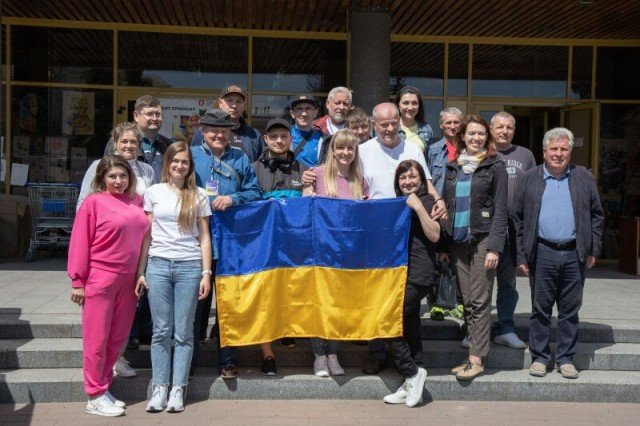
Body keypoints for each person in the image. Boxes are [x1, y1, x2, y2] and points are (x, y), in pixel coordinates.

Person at [355, 102, 447, 374]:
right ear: (374, 125)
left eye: (393, 122)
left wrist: (439, 201)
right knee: (379, 296)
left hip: (411, 232)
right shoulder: (363, 150)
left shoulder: (412, 148)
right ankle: (377, 354)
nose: (389, 128)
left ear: (400, 121)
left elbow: (426, 182)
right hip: (377, 235)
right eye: (383, 124)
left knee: (407, 304)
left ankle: (414, 358)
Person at [512, 127, 603, 380]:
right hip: (542, 252)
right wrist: (520, 255)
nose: (558, 154)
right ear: (544, 151)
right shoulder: (529, 178)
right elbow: (516, 219)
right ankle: (540, 357)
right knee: (540, 309)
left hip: (575, 253)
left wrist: (593, 248)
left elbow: (597, 215)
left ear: (570, 152)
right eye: (554, 149)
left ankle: (565, 359)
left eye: (564, 149)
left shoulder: (583, 177)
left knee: (570, 309)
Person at [67, 155, 149, 417]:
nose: (118, 181)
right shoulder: (93, 203)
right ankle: (94, 395)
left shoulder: (137, 201)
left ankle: (103, 388)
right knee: (97, 339)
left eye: (123, 176)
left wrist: (140, 273)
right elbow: (80, 242)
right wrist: (77, 281)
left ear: (130, 177)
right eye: (112, 176)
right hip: (100, 278)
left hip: (129, 280)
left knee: (117, 338)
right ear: (102, 177)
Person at [135, 142, 212, 412]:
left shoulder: (199, 195)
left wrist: (206, 273)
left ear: (190, 166)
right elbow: (147, 236)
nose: (180, 166)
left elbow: (204, 238)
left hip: (189, 267)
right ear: (167, 163)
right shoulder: (153, 192)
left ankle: (178, 387)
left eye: (185, 162)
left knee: (184, 331)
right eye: (175, 161)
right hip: (157, 265)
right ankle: (159, 387)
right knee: (160, 330)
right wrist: (141, 271)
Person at [78, 122, 155, 378]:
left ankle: (118, 359)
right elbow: (84, 205)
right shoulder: (99, 168)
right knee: (101, 323)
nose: (129, 146)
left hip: (135, 254)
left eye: (134, 141)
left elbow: (150, 207)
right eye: (125, 141)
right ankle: (98, 375)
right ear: (115, 143)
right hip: (105, 255)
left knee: (124, 318)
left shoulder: (146, 170)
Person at [191, 108, 261, 380]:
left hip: (232, 241)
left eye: (223, 131)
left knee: (229, 303)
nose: (218, 135)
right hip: (197, 240)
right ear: (203, 132)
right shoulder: (191, 156)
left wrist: (233, 199)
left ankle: (227, 360)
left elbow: (255, 191)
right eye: (213, 131)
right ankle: (189, 360)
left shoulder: (240, 157)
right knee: (196, 303)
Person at [441, 114, 507, 381]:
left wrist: (495, 247)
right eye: (471, 133)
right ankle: (473, 354)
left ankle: (476, 359)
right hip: (457, 242)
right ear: (462, 136)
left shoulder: (495, 166)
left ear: (487, 137)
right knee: (467, 301)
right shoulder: (452, 167)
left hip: (483, 239)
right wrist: (443, 245)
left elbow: (501, 209)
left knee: (480, 300)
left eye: (481, 134)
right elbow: (446, 205)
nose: (476, 138)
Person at [303, 129, 369, 377]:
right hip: (318, 253)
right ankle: (319, 355)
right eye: (340, 147)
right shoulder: (317, 174)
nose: (345, 152)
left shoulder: (360, 180)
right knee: (318, 304)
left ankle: (333, 353)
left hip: (346, 255)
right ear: (332, 150)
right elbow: (304, 208)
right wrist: (306, 192)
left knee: (338, 305)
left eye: (350, 148)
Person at [382, 160, 439, 408]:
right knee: (409, 324)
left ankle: (412, 372)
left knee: (386, 320)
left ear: (422, 180)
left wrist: (418, 207)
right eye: (403, 177)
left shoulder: (425, 201)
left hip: (420, 274)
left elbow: (435, 234)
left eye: (413, 177)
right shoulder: (398, 203)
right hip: (401, 274)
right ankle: (411, 379)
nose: (408, 181)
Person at [253, 117, 307, 372]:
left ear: (291, 139)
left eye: (284, 136)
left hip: (295, 246)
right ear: (266, 139)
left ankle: (287, 329)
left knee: (291, 292)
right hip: (264, 246)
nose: (279, 141)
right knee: (265, 297)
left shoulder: (304, 169)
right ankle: (267, 354)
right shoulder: (254, 168)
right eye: (273, 136)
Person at [490, 112, 536, 349]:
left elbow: (534, 190)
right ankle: (473, 330)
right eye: (500, 127)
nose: (504, 131)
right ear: (491, 129)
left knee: (508, 282)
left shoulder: (525, 155)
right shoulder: (483, 152)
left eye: (509, 127)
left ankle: (506, 328)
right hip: (487, 229)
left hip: (514, 228)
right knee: (481, 284)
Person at [426, 107, 465, 322]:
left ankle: (457, 301)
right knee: (437, 258)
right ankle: (436, 303)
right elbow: (428, 179)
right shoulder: (433, 150)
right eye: (448, 122)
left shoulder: (468, 148)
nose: (452, 126)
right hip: (438, 209)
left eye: (456, 122)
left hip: (461, 210)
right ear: (441, 125)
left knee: (458, 258)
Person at [191, 85, 264, 162]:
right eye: (229, 100)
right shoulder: (203, 132)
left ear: (244, 105)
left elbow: (261, 166)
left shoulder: (254, 135)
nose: (234, 106)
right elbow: (193, 160)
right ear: (220, 103)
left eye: (239, 101)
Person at [104, 96, 172, 179]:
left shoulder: (168, 144)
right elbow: (107, 172)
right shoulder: (120, 142)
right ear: (136, 116)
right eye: (149, 114)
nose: (155, 118)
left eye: (158, 114)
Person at [395, 86, 433, 153]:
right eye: (406, 103)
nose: (410, 107)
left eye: (414, 103)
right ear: (398, 105)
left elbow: (429, 156)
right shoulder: (391, 128)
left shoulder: (426, 129)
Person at [290, 96, 323, 168]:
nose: (304, 114)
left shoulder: (323, 138)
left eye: (308, 108)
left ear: (315, 113)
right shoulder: (284, 136)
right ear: (292, 114)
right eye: (299, 109)